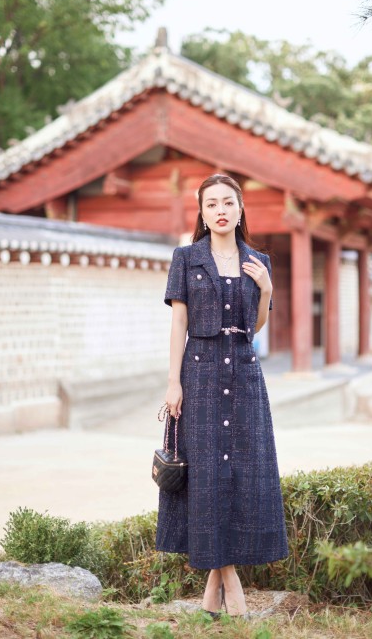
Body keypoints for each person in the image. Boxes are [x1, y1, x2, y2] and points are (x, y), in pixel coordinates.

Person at [156, 174, 289, 617]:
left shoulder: (258, 260)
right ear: (201, 211)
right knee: (208, 478)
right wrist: (173, 382)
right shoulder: (186, 258)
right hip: (200, 375)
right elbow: (179, 324)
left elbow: (254, 329)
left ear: (240, 208)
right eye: (211, 203)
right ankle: (232, 585)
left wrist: (266, 289)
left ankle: (210, 594)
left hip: (246, 376)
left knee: (240, 478)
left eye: (227, 202)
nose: (220, 210)